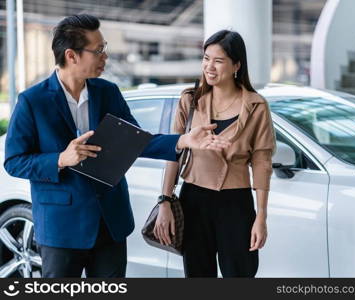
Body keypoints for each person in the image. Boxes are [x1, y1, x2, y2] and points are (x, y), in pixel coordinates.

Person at [3, 14, 229, 278]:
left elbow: (136, 141)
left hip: (110, 222)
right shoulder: (32, 101)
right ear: (71, 56)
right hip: (61, 227)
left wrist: (183, 140)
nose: (105, 57)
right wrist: (61, 159)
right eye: (98, 50)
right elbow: (14, 161)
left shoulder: (107, 92)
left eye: (104, 48)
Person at [154, 30, 276, 277]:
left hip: (236, 202)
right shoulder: (190, 100)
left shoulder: (256, 105)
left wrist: (261, 216)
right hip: (194, 200)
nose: (209, 67)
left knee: (240, 274)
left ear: (236, 65)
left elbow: (262, 162)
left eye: (218, 61)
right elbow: (174, 152)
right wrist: (165, 200)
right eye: (206, 58)